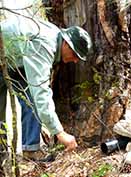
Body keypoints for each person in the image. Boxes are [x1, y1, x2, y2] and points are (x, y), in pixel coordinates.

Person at [0, 16, 92, 161]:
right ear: (67, 44)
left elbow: (36, 94)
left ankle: (31, 150)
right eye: (75, 55)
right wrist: (60, 133)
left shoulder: (54, 37)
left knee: (31, 99)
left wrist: (44, 124)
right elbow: (41, 93)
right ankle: (2, 156)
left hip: (16, 61)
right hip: (5, 56)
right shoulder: (45, 45)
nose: (75, 61)